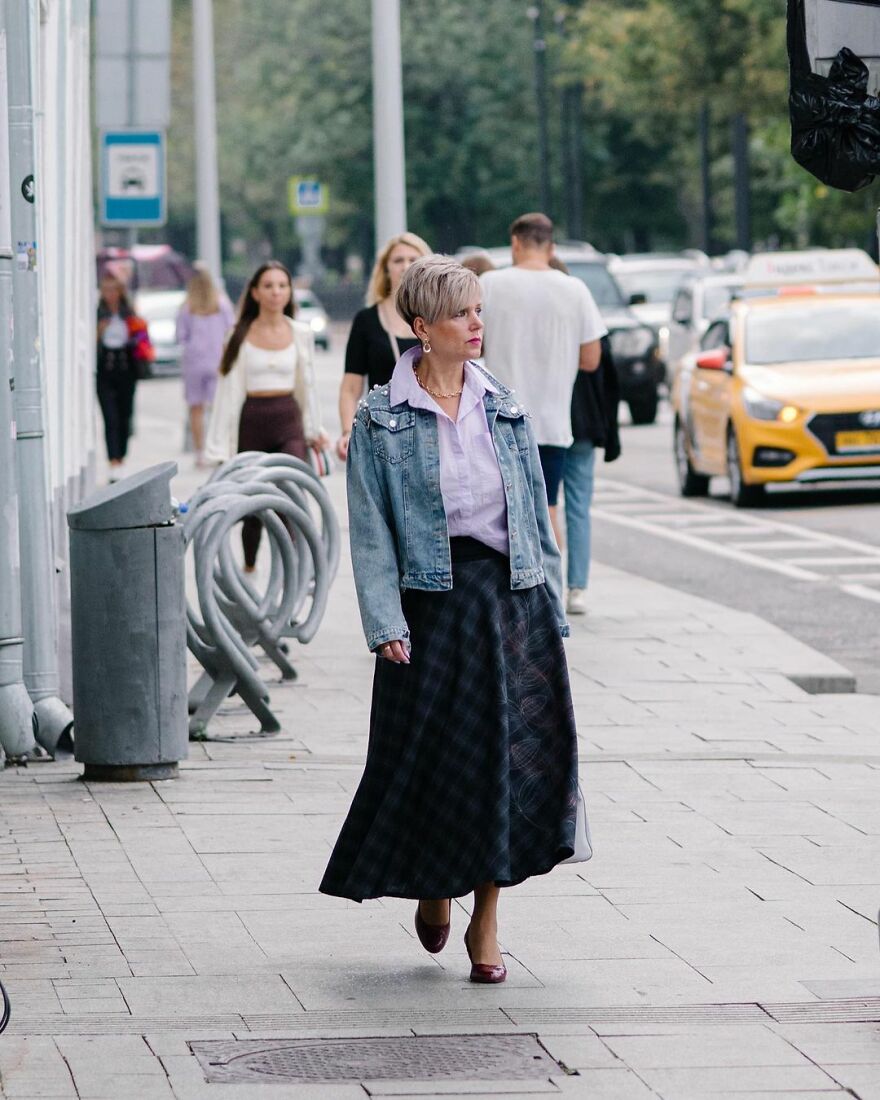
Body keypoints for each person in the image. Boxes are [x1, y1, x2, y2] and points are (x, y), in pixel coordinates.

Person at [320, 256, 581, 985]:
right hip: (430, 608)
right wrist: (384, 622)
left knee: (504, 764)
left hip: (508, 604)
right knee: (433, 762)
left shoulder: (507, 406)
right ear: (422, 327)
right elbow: (370, 531)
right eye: (463, 314)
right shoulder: (381, 418)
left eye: (479, 311)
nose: (477, 325)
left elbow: (534, 514)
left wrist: (551, 611)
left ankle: (487, 923)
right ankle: (436, 887)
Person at [479, 213, 606, 548]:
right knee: (547, 508)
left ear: (515, 244)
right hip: (552, 423)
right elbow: (592, 358)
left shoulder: (490, 284)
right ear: (551, 248)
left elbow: (474, 344)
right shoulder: (575, 289)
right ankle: (551, 588)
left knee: (501, 512)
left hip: (500, 422)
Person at [204, 260, 328, 571]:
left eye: (282, 286)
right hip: (251, 422)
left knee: (290, 493)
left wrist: (314, 430)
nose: (276, 292)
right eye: (269, 286)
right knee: (252, 502)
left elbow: (307, 387)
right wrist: (219, 447)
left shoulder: (301, 333)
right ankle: (248, 567)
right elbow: (226, 394)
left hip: (288, 420)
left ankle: (293, 572)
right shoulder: (238, 334)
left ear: (289, 292)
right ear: (256, 293)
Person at [336, 232, 431, 460]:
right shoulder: (366, 320)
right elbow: (350, 388)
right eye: (398, 260)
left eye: (413, 259)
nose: (406, 265)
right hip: (381, 428)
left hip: (430, 424)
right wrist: (348, 431)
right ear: (386, 269)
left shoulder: (437, 317)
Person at [564, 334, 621, 614]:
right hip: (584, 422)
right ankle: (577, 588)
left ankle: (549, 584)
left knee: (540, 507)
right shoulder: (588, 323)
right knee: (578, 509)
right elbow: (608, 381)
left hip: (547, 423)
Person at [176, 264, 235, 465]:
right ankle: (217, 448)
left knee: (196, 408)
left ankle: (200, 452)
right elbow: (231, 331)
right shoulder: (221, 304)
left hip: (194, 363)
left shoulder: (187, 307)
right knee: (217, 408)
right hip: (218, 360)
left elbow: (180, 336)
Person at [96, 273, 152, 481]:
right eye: (106, 289)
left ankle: (122, 458)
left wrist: (135, 333)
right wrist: (99, 332)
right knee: (110, 417)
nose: (110, 294)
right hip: (105, 369)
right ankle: (113, 461)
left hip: (126, 367)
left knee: (124, 416)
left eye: (113, 289)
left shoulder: (128, 314)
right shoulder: (98, 314)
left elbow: (141, 337)